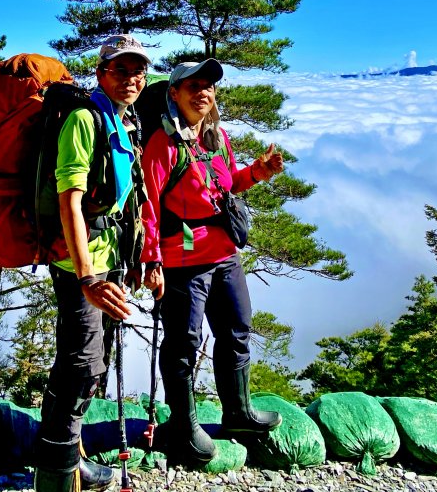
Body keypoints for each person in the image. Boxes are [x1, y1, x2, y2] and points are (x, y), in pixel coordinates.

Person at [138, 58, 285, 465]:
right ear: (174, 94)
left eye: (209, 86)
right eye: (193, 86)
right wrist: (151, 259)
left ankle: (237, 414)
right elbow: (148, 204)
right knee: (183, 344)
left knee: (237, 330)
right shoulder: (163, 145)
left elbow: (227, 184)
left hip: (224, 253)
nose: (203, 92)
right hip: (182, 259)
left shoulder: (214, 137)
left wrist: (257, 172)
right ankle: (183, 427)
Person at [34, 34, 164, 492]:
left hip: (108, 259)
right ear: (100, 73)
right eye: (120, 70)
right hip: (80, 264)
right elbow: (70, 199)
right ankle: (53, 475)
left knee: (95, 360)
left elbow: (131, 196)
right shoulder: (84, 119)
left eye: (137, 71)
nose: (131, 79)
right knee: (82, 364)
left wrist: (146, 258)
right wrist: (87, 274)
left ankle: (72, 460)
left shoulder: (124, 121)